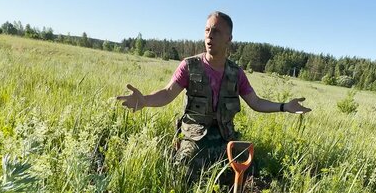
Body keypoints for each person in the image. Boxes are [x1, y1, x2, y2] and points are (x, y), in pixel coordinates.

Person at [117, 11, 311, 178]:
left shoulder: (236, 73)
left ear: (229, 38)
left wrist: (285, 106)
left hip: (226, 137)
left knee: (252, 169)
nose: (209, 36)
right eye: (207, 30)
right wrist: (145, 101)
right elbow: (167, 93)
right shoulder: (189, 66)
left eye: (216, 31)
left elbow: (256, 102)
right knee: (186, 167)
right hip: (195, 137)